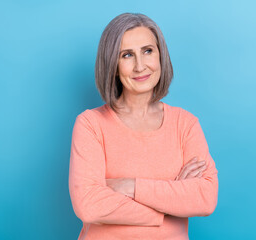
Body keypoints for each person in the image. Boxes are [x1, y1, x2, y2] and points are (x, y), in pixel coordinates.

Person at [68, 12, 218, 240]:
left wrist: (131, 186)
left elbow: (205, 198)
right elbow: (88, 205)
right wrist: (168, 203)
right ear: (113, 65)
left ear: (160, 56)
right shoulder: (91, 124)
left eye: (147, 51)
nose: (140, 66)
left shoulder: (185, 124)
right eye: (127, 55)